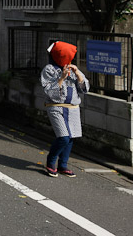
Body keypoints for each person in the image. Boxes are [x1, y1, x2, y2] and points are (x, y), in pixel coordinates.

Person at [41, 41, 89, 178]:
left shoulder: (72, 68)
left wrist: (78, 73)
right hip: (55, 107)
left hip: (73, 108)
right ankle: (51, 162)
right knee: (63, 137)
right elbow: (50, 92)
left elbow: (84, 89)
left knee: (71, 138)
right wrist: (62, 77)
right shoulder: (49, 69)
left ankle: (63, 165)